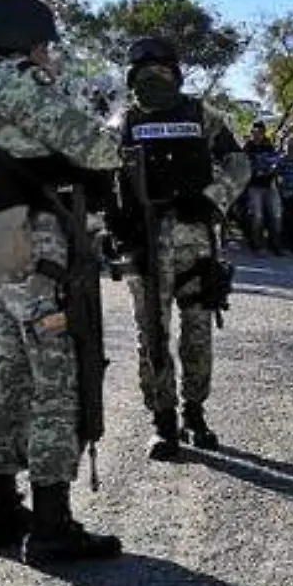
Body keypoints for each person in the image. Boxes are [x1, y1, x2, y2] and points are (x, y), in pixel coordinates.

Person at [0, 0, 126, 563]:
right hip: (34, 250)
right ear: (24, 41)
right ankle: (50, 525)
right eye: (44, 45)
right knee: (54, 381)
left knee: (1, 376)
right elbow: (96, 148)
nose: (48, 56)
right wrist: (111, 123)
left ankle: (1, 510)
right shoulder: (12, 81)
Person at [107, 37, 250, 458]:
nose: (155, 77)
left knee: (177, 333)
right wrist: (112, 226)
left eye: (160, 70)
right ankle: (172, 418)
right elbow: (100, 180)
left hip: (190, 245)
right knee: (165, 334)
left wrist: (210, 199)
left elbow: (238, 162)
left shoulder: (195, 114)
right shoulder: (124, 120)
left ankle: (183, 416)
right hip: (148, 244)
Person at [241, 121, 283, 255]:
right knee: (257, 216)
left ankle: (275, 244)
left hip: (269, 185)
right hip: (254, 186)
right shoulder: (247, 147)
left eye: (258, 133)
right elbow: (244, 165)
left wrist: (268, 169)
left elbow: (275, 162)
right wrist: (259, 168)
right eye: (253, 133)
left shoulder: (269, 146)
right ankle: (256, 245)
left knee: (276, 215)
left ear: (263, 133)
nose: (256, 135)